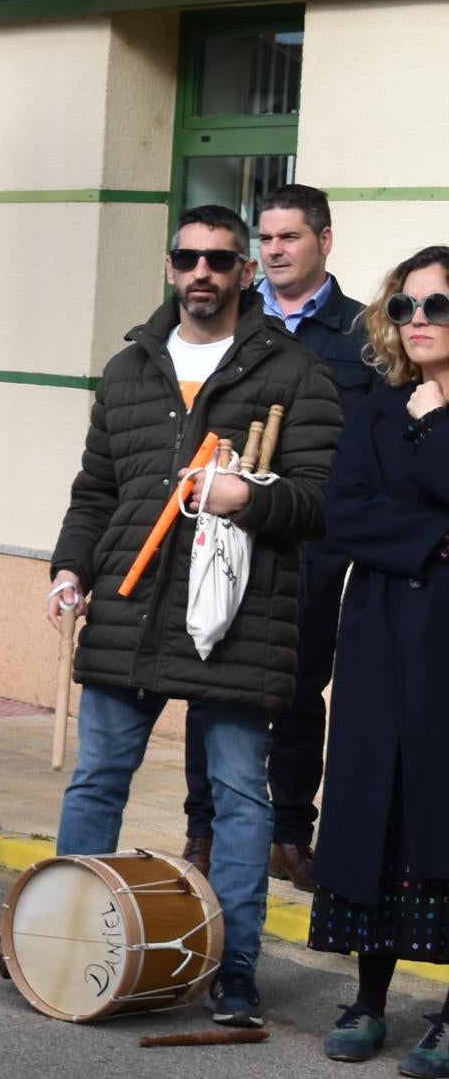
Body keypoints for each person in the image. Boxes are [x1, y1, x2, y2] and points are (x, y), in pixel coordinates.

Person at [46, 203, 341, 1030]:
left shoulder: (294, 372)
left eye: (220, 259)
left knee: (242, 798)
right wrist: (72, 566)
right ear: (170, 268)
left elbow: (320, 504)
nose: (202, 273)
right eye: (188, 259)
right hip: (131, 612)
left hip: (237, 621)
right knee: (98, 780)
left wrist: (252, 495)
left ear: (246, 271)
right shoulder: (130, 366)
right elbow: (96, 489)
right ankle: (68, 938)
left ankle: (238, 968)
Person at [198, 183, 371, 889]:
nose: (274, 251)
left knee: (300, 686)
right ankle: (205, 829)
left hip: (315, 541)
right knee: (212, 677)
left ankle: (290, 834)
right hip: (229, 534)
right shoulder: (227, 323)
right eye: (265, 239)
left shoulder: (364, 335)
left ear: (323, 241)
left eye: (289, 237)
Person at [308, 245, 449, 1075]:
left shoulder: (415, 414)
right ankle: (367, 999)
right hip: (377, 632)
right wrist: (435, 537)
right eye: (406, 308)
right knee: (372, 804)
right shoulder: (376, 406)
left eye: (436, 306)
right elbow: (343, 513)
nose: (419, 322)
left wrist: (433, 420)